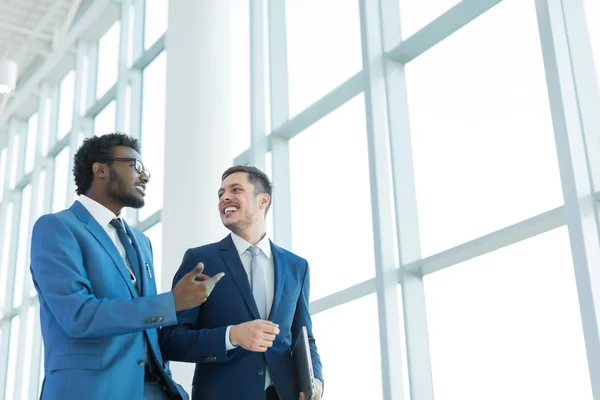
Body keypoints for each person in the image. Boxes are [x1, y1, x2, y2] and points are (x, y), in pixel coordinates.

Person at [30, 133, 222, 400]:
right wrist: (170, 303)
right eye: (136, 166)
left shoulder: (141, 241)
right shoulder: (57, 228)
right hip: (91, 390)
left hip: (155, 389)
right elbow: (79, 316)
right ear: (100, 169)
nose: (145, 177)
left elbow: (148, 330)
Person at [159, 165, 324, 400]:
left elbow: (304, 336)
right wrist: (231, 336)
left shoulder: (297, 266)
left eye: (236, 190)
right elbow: (170, 340)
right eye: (220, 193)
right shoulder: (200, 260)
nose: (225, 197)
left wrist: (315, 379)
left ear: (263, 200)